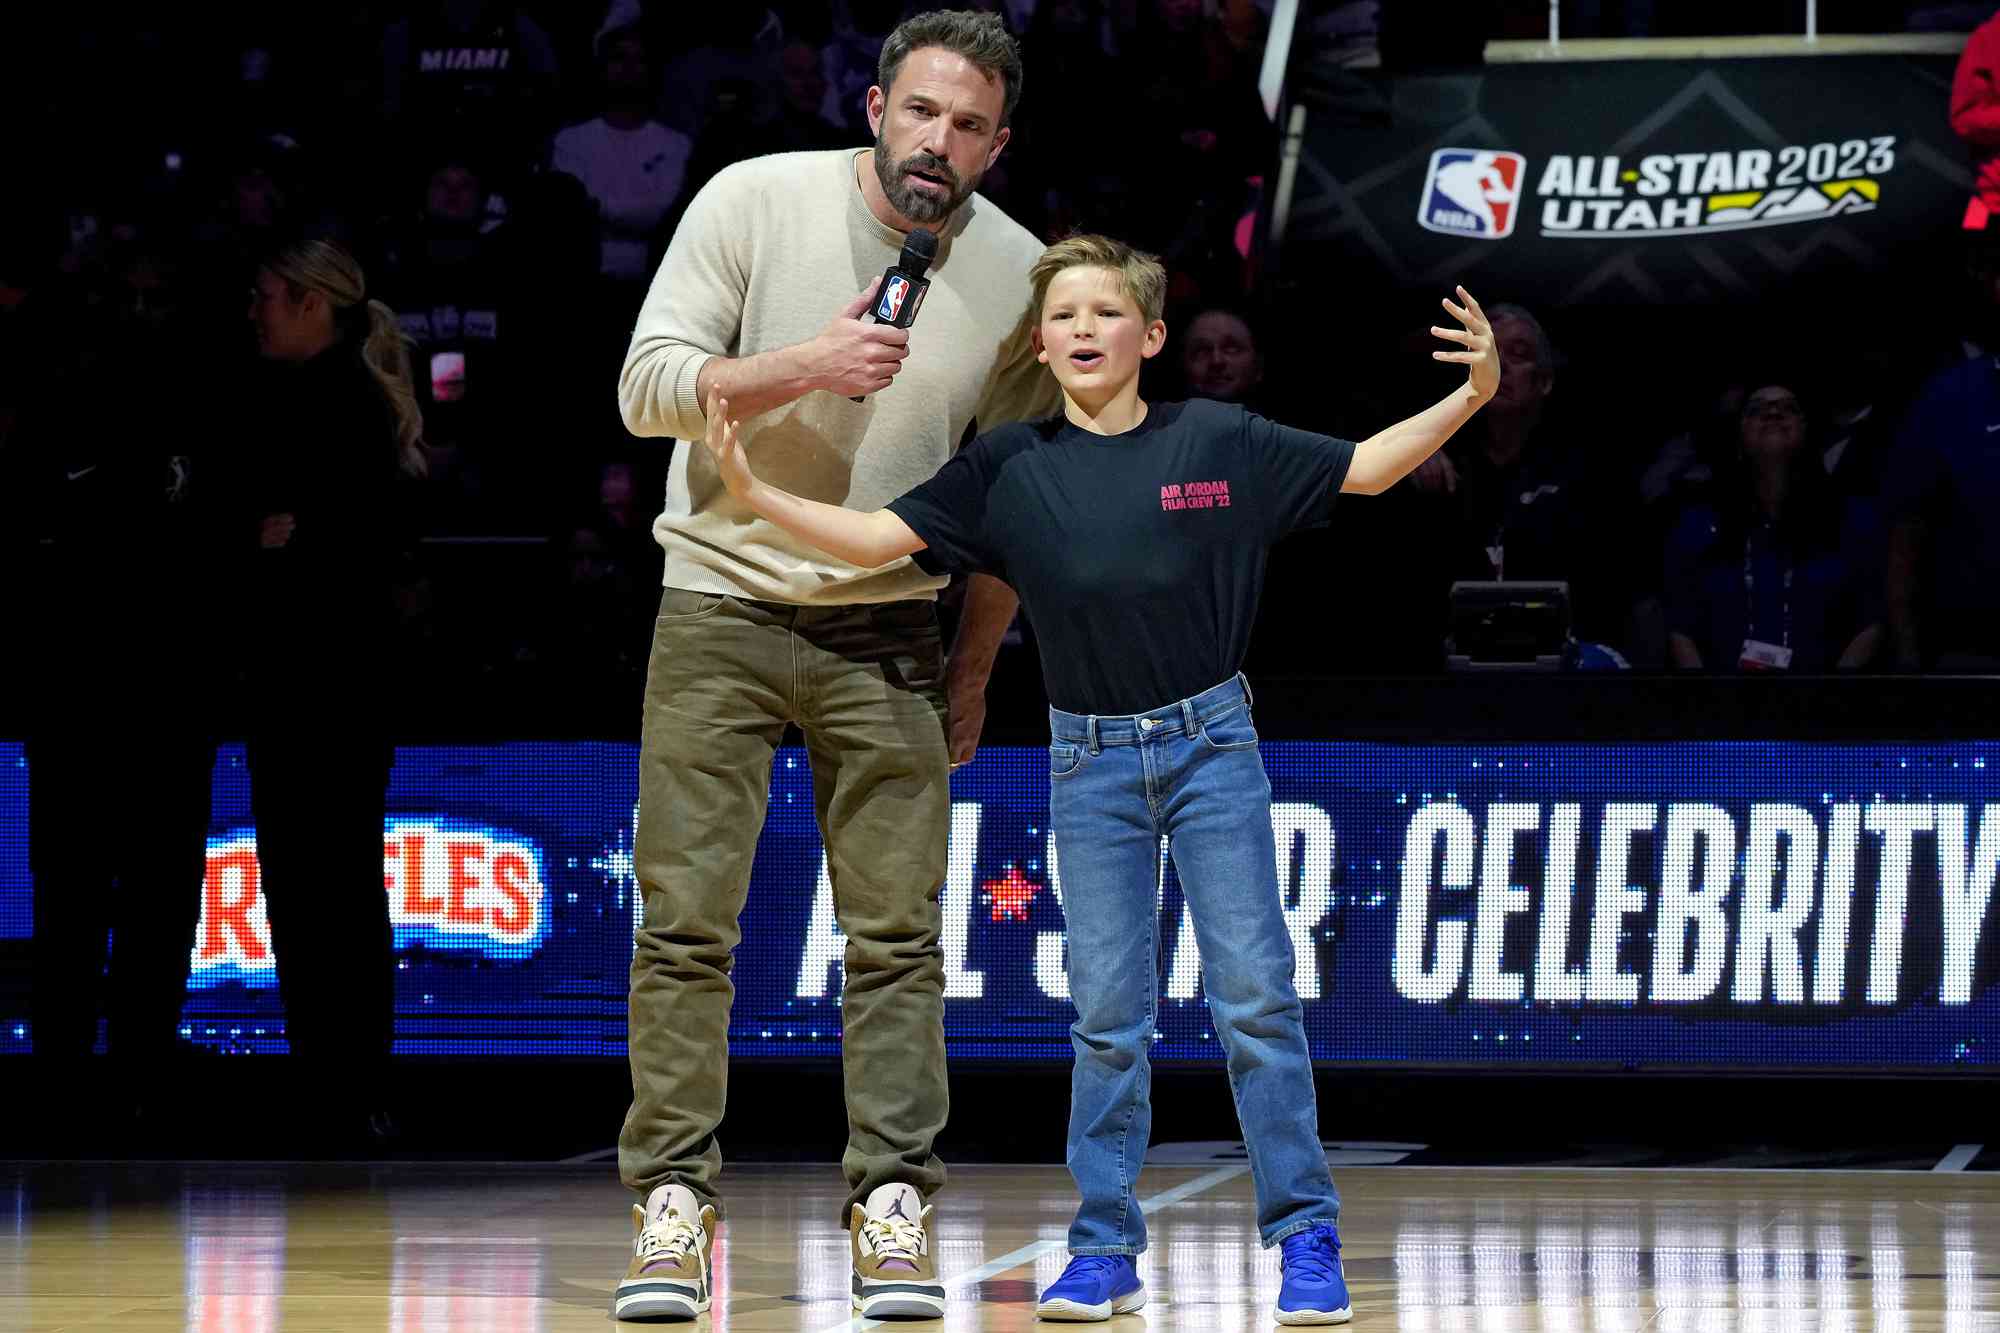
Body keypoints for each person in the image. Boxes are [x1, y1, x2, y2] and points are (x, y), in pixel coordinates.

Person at [697, 232, 1501, 1326]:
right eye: (1063, 315)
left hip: (1212, 749)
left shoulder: (1215, 437)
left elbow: (1362, 468)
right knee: (1107, 1017)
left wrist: (1474, 394)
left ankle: (1304, 1233)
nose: (1082, 329)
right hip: (1087, 764)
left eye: (1105, 312)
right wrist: (746, 488)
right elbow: (876, 538)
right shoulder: (1007, 467)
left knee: (1254, 1001)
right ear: (1041, 339)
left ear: (1150, 335)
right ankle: (1103, 1246)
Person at [610, 10, 1060, 1322]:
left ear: (999, 143)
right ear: (876, 106)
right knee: (686, 926)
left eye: (969, 125)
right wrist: (804, 362)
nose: (940, 141)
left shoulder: (1025, 278)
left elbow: (1014, 513)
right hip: (719, 606)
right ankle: (673, 1208)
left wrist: (977, 664)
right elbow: (646, 388)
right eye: (922, 111)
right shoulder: (754, 201)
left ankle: (894, 1209)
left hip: (895, 629)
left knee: (899, 942)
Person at [240, 236, 427, 1139]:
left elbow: (344, 548)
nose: (256, 311)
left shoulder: (338, 404)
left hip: (324, 684)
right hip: (323, 683)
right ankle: (344, 1080)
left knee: (323, 886)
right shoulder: (333, 395)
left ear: (313, 302)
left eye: (269, 295)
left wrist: (279, 540)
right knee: (327, 883)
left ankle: (343, 1084)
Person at [1664, 382, 1882, 672]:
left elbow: (1870, 622)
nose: (1774, 412)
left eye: (1788, 408)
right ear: (1739, 438)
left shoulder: (1851, 518)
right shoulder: (1699, 522)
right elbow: (1681, 628)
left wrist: (1830, 695)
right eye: (1756, 410)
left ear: (1807, 431)